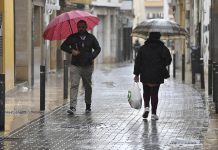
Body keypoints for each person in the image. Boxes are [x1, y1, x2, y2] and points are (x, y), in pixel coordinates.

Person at [61, 20, 101, 114]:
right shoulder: (73, 37)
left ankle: (88, 105)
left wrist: (92, 56)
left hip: (87, 66)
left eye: (83, 27)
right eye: (79, 27)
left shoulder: (91, 38)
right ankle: (73, 107)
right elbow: (63, 46)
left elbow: (98, 48)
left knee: (87, 86)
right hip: (75, 65)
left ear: (86, 27)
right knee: (74, 85)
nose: (81, 29)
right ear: (77, 27)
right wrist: (71, 50)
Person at [133, 32, 172, 120]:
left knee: (146, 92)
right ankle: (154, 114)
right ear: (159, 38)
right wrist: (162, 64)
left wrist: (136, 74)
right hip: (157, 73)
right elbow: (169, 60)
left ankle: (146, 107)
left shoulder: (143, 48)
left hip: (145, 73)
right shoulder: (163, 48)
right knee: (154, 93)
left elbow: (138, 62)